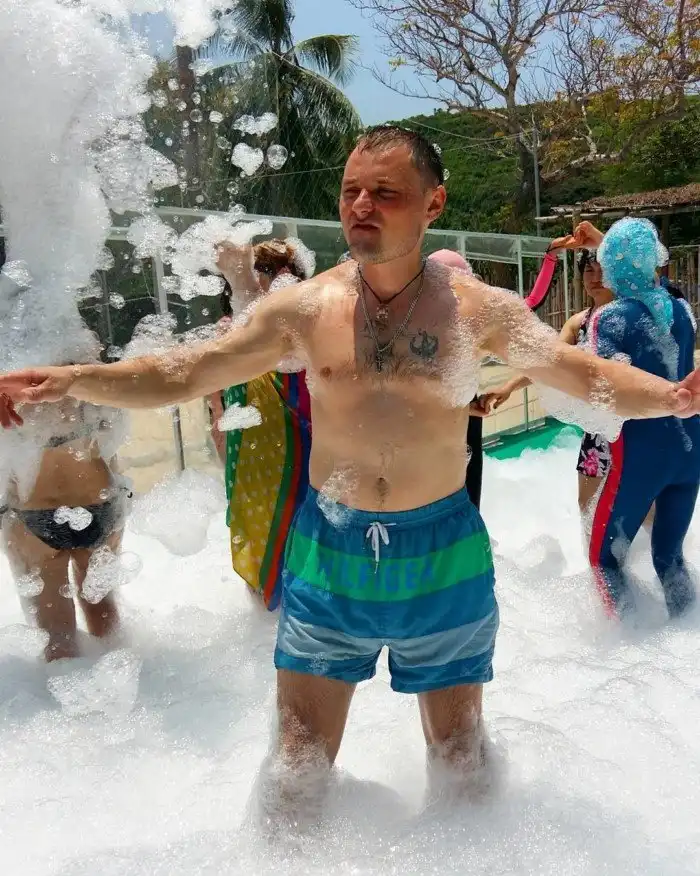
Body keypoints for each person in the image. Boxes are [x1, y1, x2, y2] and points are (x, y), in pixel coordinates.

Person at [1, 127, 699, 812]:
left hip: (443, 551)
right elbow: (187, 370)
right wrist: (71, 379)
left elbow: (578, 371)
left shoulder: (478, 310)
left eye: (385, 192)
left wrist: (673, 397)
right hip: (330, 549)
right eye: (350, 191)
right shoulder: (305, 309)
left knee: (460, 759)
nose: (361, 205)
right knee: (297, 767)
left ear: (432, 203)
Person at [575, 217, 700, 619]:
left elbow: (607, 386)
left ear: (610, 264)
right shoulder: (681, 309)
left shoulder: (608, 318)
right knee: (669, 555)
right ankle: (686, 641)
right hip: (690, 449)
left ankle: (628, 647)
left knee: (604, 560)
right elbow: (655, 285)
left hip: (640, 454)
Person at [207, 238, 313, 609]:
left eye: (290, 271)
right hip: (253, 444)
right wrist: (219, 424)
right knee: (254, 522)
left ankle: (284, 612)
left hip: (300, 444)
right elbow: (216, 390)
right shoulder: (231, 327)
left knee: (297, 527)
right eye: (270, 271)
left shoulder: (303, 326)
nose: (284, 278)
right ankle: (263, 615)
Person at [0, 366, 128, 662]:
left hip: (32, 508)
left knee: (57, 640)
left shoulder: (10, 365)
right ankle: (123, 680)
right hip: (100, 501)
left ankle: (67, 687)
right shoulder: (80, 359)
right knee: (106, 621)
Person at [429, 240, 569, 511]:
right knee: (453, 501)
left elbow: (529, 304)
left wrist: (550, 258)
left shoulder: (473, 325)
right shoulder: (417, 328)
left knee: (466, 501)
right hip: (443, 422)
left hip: (464, 417)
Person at [482, 234, 616, 512]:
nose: (595, 277)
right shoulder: (579, 323)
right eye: (589, 270)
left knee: (644, 509)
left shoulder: (634, 315)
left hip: (636, 425)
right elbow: (547, 362)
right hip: (599, 428)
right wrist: (509, 387)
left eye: (602, 270)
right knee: (587, 507)